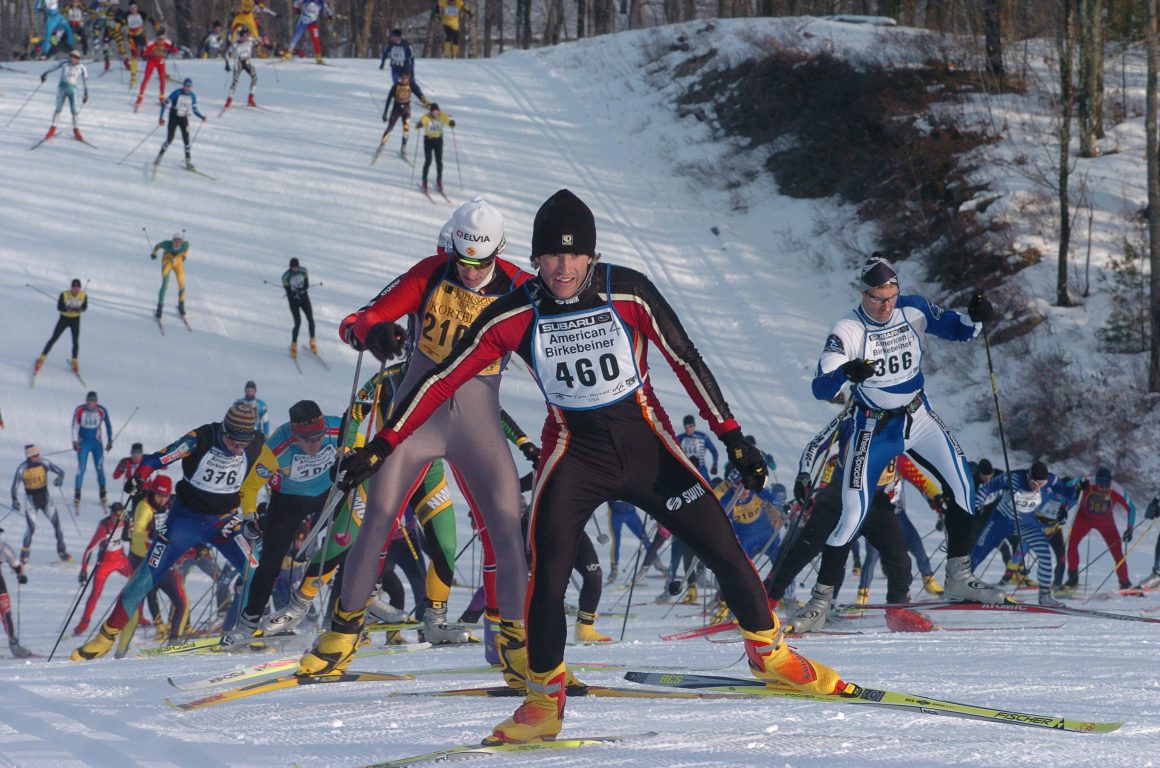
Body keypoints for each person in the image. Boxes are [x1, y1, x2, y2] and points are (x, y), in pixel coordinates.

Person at [331, 189, 849, 744]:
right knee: (547, 575)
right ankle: (542, 703)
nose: (563, 268)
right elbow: (440, 380)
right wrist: (382, 444)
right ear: (535, 258)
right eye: (552, 256)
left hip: (648, 449)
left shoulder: (628, 291)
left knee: (723, 548)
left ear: (591, 256)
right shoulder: (514, 312)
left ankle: (771, 655)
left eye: (574, 255)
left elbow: (685, 358)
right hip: (574, 456)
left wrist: (731, 435)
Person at [298, 198, 535, 693]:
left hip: (478, 426)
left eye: (481, 263)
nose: (470, 272)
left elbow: (556, 345)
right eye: (462, 260)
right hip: (413, 422)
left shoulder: (519, 286)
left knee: (508, 529)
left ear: (499, 252)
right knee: (377, 519)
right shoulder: (431, 272)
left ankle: (515, 646)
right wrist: (375, 333)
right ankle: (341, 636)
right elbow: (357, 321)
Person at [810, 253, 1003, 604]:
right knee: (853, 513)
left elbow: (959, 330)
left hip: (919, 417)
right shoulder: (848, 329)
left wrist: (976, 318)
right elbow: (821, 388)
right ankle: (821, 600)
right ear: (863, 294)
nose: (885, 306)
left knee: (964, 485)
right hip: (874, 427)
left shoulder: (913, 309)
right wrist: (846, 373)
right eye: (876, 298)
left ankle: (959, 576)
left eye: (890, 297)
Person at [71, 402, 270, 660]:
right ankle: (104, 638)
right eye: (234, 441)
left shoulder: (257, 443)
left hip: (224, 523)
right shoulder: (200, 439)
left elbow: (281, 458)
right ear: (225, 430)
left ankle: (249, 629)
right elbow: (156, 459)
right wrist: (140, 475)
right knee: (145, 577)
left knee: (256, 571)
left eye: (244, 442)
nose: (238, 448)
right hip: (184, 522)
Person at [221, 400, 342, 647]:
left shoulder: (338, 428)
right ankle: (248, 624)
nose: (315, 444)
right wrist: (250, 517)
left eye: (319, 437)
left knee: (347, 543)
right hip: (288, 500)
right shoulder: (277, 446)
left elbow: (365, 449)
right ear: (295, 435)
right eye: (308, 440)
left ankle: (339, 619)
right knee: (269, 563)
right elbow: (249, 487)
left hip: (329, 494)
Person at [971, 461, 1071, 606]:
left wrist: (1063, 508)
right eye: (1035, 483)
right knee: (977, 554)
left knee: (1045, 554)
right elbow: (987, 487)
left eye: (1042, 484)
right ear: (1029, 476)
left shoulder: (1051, 479)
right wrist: (976, 504)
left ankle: (1044, 596)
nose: (1037, 487)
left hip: (1025, 522)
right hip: (1001, 521)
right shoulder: (1014, 478)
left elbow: (1067, 491)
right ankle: (958, 589)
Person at [128, 474, 189, 642]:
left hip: (162, 557)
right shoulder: (144, 507)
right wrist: (150, 535)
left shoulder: (171, 504)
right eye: (159, 495)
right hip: (141, 557)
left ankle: (174, 636)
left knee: (180, 598)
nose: (162, 500)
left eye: (166, 496)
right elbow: (136, 534)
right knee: (150, 593)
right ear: (153, 493)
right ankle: (159, 627)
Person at [1062, 467, 1137, 591]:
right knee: (1072, 545)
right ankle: (1072, 579)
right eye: (1100, 485)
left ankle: (1125, 583)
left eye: (1106, 486)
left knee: (1117, 552)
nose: (1103, 488)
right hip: (1083, 519)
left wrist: (1130, 528)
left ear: (1110, 482)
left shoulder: (1117, 489)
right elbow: (1069, 485)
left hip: (1106, 524)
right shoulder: (1088, 481)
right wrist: (1062, 508)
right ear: (1096, 481)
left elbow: (1131, 508)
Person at [74, 502, 132, 634]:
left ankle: (137, 618)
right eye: (116, 515)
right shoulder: (104, 527)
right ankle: (84, 623)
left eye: (121, 515)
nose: (119, 518)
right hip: (105, 562)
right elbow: (89, 549)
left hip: (121, 560)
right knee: (95, 594)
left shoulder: (125, 522)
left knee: (137, 581)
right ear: (112, 514)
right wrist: (84, 570)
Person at [10, 444, 69, 564]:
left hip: (45, 499)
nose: (38, 457)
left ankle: (62, 551)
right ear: (29, 457)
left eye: (38, 454)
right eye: (35, 455)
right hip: (31, 501)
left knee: (57, 525)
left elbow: (61, 472)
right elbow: (14, 486)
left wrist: (59, 479)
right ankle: (24, 554)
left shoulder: (44, 462)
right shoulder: (22, 468)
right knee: (31, 529)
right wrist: (14, 500)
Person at [35, 278, 87, 376]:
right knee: (53, 338)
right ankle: (41, 359)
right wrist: (68, 308)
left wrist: (79, 309)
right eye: (74, 287)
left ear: (80, 288)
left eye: (77, 288)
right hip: (64, 319)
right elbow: (59, 307)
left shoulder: (83, 295)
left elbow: (85, 307)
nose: (75, 290)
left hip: (75, 320)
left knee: (75, 341)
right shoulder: (64, 294)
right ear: (71, 287)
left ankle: (74, 361)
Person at [72, 391, 113, 510]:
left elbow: (108, 425)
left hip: (96, 444)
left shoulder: (101, 410)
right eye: (89, 401)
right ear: (86, 401)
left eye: (93, 401)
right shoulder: (79, 410)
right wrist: (74, 441)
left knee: (99, 468)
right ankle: (77, 493)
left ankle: (103, 493)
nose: (90, 403)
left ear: (96, 402)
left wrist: (110, 441)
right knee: (81, 468)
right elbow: (74, 426)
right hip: (83, 443)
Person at [155, 78, 206, 171]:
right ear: (183, 85)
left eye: (189, 86)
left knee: (187, 140)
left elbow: (194, 109)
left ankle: (188, 161)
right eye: (186, 86)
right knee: (170, 139)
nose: (187, 88)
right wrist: (161, 117)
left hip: (184, 118)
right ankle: (160, 156)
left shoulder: (192, 96)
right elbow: (164, 104)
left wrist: (201, 116)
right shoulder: (177, 92)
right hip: (173, 117)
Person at [40, 47, 88, 140]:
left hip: (72, 90)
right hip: (62, 89)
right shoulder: (64, 63)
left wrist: (86, 93)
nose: (73, 59)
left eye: (76, 57)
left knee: (74, 110)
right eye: (72, 57)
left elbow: (85, 80)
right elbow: (53, 67)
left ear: (78, 59)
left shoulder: (81, 67)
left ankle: (76, 130)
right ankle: (52, 129)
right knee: (58, 109)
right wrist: (45, 74)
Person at [378, 70, 427, 158]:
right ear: (400, 78)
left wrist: (427, 104)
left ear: (409, 78)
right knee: (390, 128)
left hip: (406, 111)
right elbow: (388, 100)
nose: (404, 80)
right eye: (403, 78)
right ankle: (382, 145)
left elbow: (420, 95)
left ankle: (403, 148)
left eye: (406, 78)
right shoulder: (395, 86)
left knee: (406, 129)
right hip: (396, 110)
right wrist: (385, 113)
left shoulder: (411, 85)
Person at [0, 528, 32, 658]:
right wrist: (20, 574)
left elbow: (16, 564)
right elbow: (16, 565)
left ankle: (14, 644)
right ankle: (14, 644)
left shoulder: (2, 546)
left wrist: (20, 575)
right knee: (6, 613)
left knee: (6, 613)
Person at [134, 27, 178, 111]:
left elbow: (175, 51)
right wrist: (143, 51)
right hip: (151, 62)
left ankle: (162, 99)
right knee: (146, 79)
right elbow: (143, 53)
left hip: (161, 62)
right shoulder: (151, 43)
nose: (161, 41)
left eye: (163, 39)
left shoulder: (166, 42)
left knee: (162, 80)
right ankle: (139, 99)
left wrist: (173, 46)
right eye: (160, 39)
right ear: (156, 38)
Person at [415, 102, 455, 194]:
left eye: (437, 112)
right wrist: (419, 125)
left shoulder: (442, 116)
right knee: (428, 161)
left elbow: (449, 121)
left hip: (438, 140)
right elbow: (419, 125)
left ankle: (439, 180)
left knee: (439, 161)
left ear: (439, 111)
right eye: (433, 112)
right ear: (431, 112)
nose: (435, 114)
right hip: (428, 141)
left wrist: (451, 123)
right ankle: (424, 181)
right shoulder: (426, 117)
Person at [606, 500, 649, 583]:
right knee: (616, 542)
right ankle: (614, 569)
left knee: (645, 539)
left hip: (631, 513)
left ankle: (657, 564)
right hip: (615, 514)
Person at [150, 232, 190, 318]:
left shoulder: (184, 245)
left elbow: (187, 247)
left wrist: (184, 256)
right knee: (165, 285)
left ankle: (181, 305)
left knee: (181, 283)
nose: (177, 243)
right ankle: (160, 308)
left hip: (178, 262)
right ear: (172, 241)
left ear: (182, 242)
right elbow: (157, 246)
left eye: (179, 242)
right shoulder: (166, 244)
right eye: (175, 241)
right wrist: (154, 253)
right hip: (167, 261)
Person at [282, 258, 316, 358]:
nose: (295, 269)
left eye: (296, 267)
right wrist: (292, 293)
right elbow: (288, 290)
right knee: (298, 322)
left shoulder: (303, 271)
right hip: (294, 301)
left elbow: (306, 284)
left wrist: (302, 289)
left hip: (304, 298)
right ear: (290, 267)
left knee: (310, 319)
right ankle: (294, 344)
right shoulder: (286, 276)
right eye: (293, 267)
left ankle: (312, 340)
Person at [223, 27, 260, 110]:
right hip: (238, 63)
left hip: (247, 61)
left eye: (246, 36)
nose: (244, 38)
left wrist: (266, 44)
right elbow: (227, 54)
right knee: (235, 82)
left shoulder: (250, 41)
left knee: (255, 78)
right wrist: (227, 64)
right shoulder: (235, 45)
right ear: (240, 37)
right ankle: (229, 101)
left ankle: (250, 98)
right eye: (243, 37)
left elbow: (259, 41)